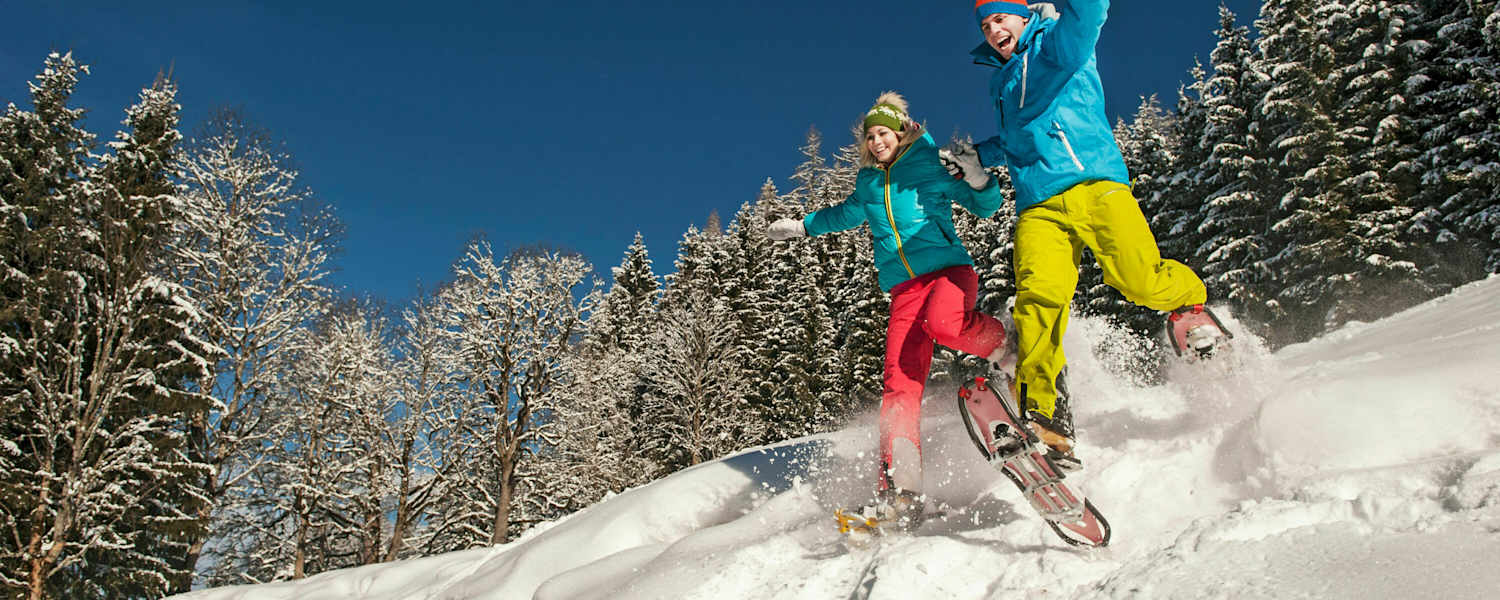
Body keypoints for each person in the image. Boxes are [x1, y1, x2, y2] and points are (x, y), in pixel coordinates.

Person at [963, 0, 1230, 467]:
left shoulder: (1057, 45)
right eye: (985, 25)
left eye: (1000, 18)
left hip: (1096, 185)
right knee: (1038, 301)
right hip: (1038, 206)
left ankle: (1190, 308)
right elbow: (1019, 138)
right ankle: (1045, 415)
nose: (992, 30)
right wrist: (977, 158)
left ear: (1023, 17)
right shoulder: (1002, 82)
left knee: (1139, 279)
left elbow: (1089, 15)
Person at [767, 92, 1011, 528]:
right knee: (899, 383)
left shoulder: (930, 164)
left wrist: (977, 179)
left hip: (948, 272)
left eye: (884, 133)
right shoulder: (867, 184)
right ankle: (902, 488)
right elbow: (843, 215)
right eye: (871, 136)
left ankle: (1007, 347)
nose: (877, 141)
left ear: (901, 131)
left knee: (945, 324)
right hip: (903, 289)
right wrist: (803, 227)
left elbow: (985, 206)